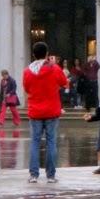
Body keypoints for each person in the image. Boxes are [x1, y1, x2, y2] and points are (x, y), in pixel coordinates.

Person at [23, 42, 69, 183]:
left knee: (35, 143)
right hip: (51, 110)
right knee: (51, 142)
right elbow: (64, 82)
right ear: (47, 54)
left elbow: (27, 89)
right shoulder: (54, 68)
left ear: (33, 54)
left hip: (35, 111)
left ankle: (33, 175)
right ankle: (50, 175)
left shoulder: (27, 71)